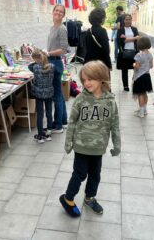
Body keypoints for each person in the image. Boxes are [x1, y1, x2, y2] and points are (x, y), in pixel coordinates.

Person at [59, 61, 120, 217]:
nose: (86, 83)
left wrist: (116, 144)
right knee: (79, 174)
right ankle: (68, 198)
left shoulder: (110, 101)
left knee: (95, 175)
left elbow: (115, 124)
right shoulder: (81, 99)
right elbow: (72, 121)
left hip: (99, 147)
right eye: (84, 80)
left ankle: (89, 198)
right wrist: (68, 142)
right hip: (81, 145)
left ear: (101, 79)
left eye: (90, 79)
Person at [46, 4, 68, 132]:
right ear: (52, 12)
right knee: (58, 94)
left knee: (56, 95)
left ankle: (58, 125)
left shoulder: (62, 29)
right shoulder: (52, 28)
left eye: (61, 12)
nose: (58, 13)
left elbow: (64, 50)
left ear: (63, 15)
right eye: (56, 10)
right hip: (50, 61)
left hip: (56, 63)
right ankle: (63, 121)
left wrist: (49, 53)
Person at [28, 49, 55, 143]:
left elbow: (29, 66)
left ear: (36, 59)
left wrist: (34, 61)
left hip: (38, 94)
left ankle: (40, 135)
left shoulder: (35, 67)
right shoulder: (52, 66)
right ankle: (48, 134)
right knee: (49, 113)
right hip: (49, 93)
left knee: (40, 114)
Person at [116, 14, 140, 91]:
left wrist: (127, 38)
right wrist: (134, 38)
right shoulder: (120, 30)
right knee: (124, 69)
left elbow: (138, 38)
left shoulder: (134, 29)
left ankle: (134, 83)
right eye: (126, 19)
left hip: (134, 51)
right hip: (124, 52)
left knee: (136, 68)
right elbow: (123, 41)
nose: (128, 21)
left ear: (131, 20)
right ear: (124, 20)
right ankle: (125, 86)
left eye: (129, 19)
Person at [132, 37, 153, 118]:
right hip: (147, 76)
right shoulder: (150, 54)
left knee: (140, 94)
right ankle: (144, 109)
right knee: (144, 93)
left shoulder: (139, 55)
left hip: (139, 77)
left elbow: (136, 67)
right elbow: (151, 66)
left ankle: (141, 112)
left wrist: (133, 65)